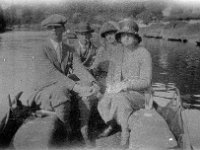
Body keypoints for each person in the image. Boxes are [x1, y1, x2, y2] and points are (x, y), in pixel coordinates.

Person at [27, 14, 100, 146]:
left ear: (63, 29)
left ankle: (83, 128)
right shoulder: (40, 49)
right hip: (45, 89)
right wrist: (77, 87)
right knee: (61, 92)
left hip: (65, 87)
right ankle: (63, 133)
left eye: (57, 27)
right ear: (47, 30)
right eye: (50, 28)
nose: (53, 31)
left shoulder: (69, 49)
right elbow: (52, 73)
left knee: (87, 90)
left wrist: (92, 82)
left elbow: (77, 69)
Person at [97, 18, 152, 148]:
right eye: (123, 35)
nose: (126, 38)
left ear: (136, 37)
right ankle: (112, 124)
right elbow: (111, 75)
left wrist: (125, 85)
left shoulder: (144, 53)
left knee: (120, 99)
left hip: (141, 95)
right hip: (122, 91)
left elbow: (146, 82)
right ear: (120, 37)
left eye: (129, 35)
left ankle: (125, 133)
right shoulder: (118, 53)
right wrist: (110, 88)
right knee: (103, 102)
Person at [90, 21, 119, 91]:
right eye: (107, 34)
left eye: (111, 33)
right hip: (103, 80)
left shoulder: (123, 48)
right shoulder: (102, 50)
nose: (109, 36)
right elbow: (95, 66)